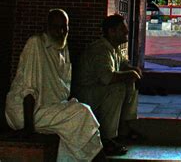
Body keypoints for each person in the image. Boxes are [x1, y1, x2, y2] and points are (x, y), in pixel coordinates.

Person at [5, 9, 104, 161]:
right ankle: (100, 159)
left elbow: (62, 90)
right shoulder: (36, 44)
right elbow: (28, 91)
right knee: (82, 113)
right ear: (47, 27)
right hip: (27, 113)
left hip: (49, 107)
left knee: (77, 120)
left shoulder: (63, 49)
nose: (61, 32)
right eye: (56, 27)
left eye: (65, 27)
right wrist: (29, 130)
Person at [76, 14, 141, 156]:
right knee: (117, 88)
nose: (126, 32)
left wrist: (132, 70)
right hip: (87, 94)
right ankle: (107, 138)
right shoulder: (100, 50)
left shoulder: (113, 48)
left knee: (129, 81)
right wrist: (130, 74)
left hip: (98, 91)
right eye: (122, 29)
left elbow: (123, 65)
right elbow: (107, 77)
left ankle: (123, 127)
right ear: (111, 32)